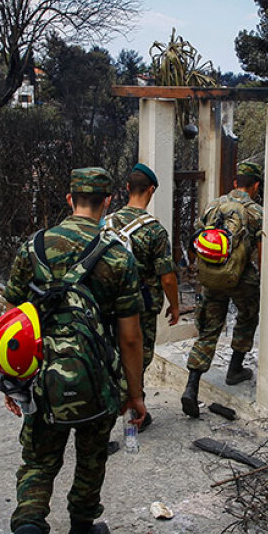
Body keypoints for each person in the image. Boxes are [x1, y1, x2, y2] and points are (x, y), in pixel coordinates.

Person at [1, 167, 147, 534]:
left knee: (37, 462)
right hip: (97, 379)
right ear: (107, 202)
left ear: (70, 199)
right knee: (91, 458)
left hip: (42, 380)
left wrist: (11, 381)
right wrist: (134, 394)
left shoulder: (33, 248)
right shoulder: (118, 256)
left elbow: (11, 322)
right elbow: (130, 337)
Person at [181, 160, 263, 418]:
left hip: (211, 275)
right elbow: (261, 252)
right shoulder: (256, 212)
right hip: (241, 278)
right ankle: (235, 369)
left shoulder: (213, 205)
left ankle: (192, 386)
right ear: (256, 186)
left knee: (209, 328)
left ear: (236, 183)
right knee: (248, 316)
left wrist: (201, 269)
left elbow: (197, 239)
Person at [104, 163, 180, 431]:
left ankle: (137, 407)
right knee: (138, 358)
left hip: (107, 304)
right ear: (152, 190)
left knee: (110, 355)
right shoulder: (155, 231)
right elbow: (167, 277)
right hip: (141, 307)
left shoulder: (106, 223)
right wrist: (175, 306)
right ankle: (118, 415)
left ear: (127, 188)